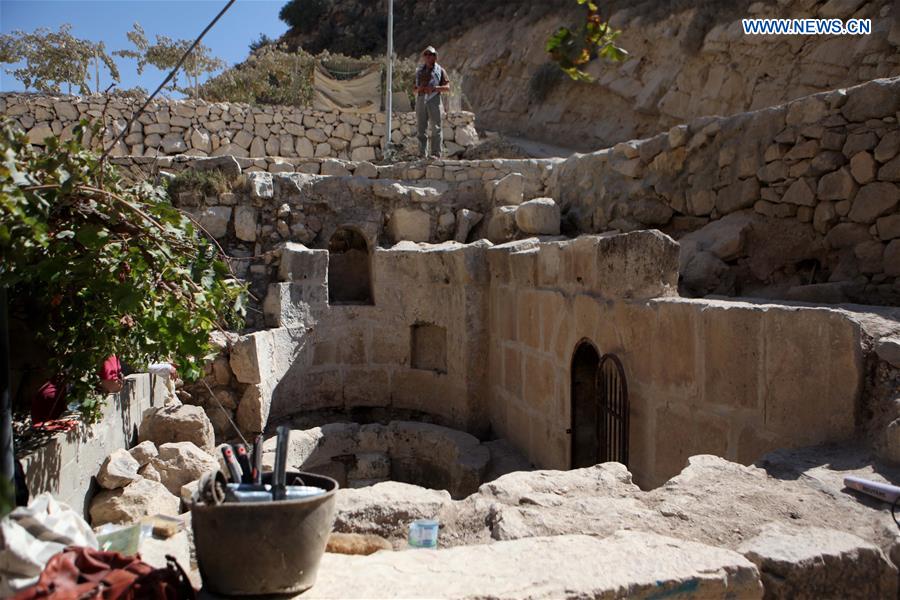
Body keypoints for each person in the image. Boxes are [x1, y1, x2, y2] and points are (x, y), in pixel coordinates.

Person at [414, 46, 451, 159]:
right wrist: (420, 89)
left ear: (435, 57)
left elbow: (447, 87)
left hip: (434, 99)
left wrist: (434, 88)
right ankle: (421, 154)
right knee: (421, 128)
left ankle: (435, 154)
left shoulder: (440, 71)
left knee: (436, 128)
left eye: (431, 55)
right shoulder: (419, 71)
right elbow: (413, 89)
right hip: (421, 99)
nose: (428, 57)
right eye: (426, 55)